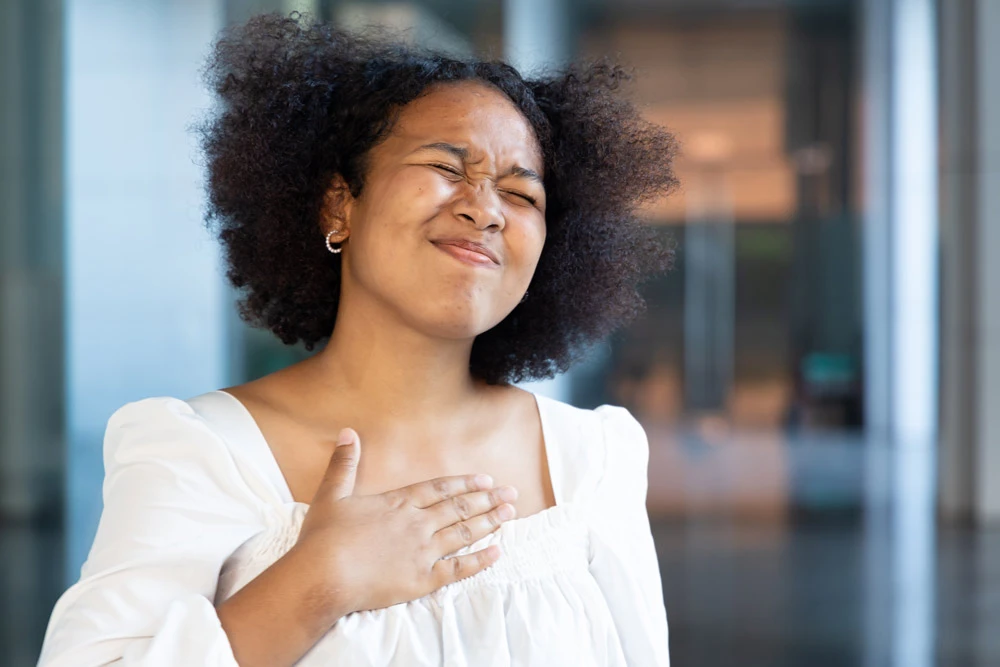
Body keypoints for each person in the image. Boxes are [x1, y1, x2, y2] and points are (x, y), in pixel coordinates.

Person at [38, 12, 678, 667]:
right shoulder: (202, 451)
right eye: (445, 165)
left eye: (520, 193)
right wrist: (321, 579)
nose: (484, 208)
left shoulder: (592, 459)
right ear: (339, 205)